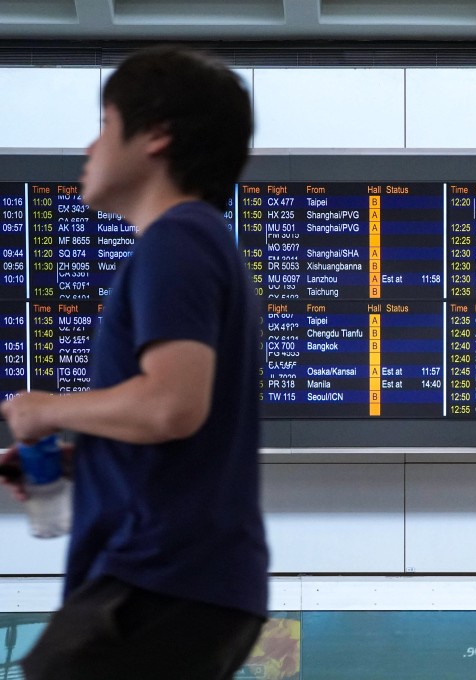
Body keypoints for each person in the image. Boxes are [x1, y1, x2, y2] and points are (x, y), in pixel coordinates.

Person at [0, 46, 268, 680]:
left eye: (102, 124)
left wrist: (44, 409)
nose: (88, 149)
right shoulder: (201, 241)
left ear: (156, 136)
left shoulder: (176, 239)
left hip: (159, 576)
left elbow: (172, 405)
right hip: (191, 580)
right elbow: (178, 421)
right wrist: (86, 455)